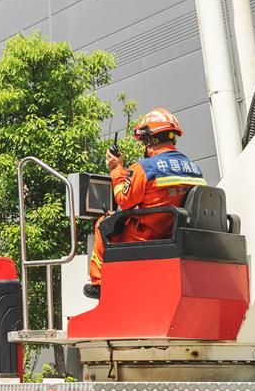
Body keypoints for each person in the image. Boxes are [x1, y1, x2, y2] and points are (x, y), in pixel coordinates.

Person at [85, 108, 206, 299]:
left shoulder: (144, 168)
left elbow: (124, 200)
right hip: (177, 233)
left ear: (149, 139)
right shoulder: (194, 168)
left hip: (146, 236)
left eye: (143, 140)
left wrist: (116, 169)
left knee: (103, 224)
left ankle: (99, 285)